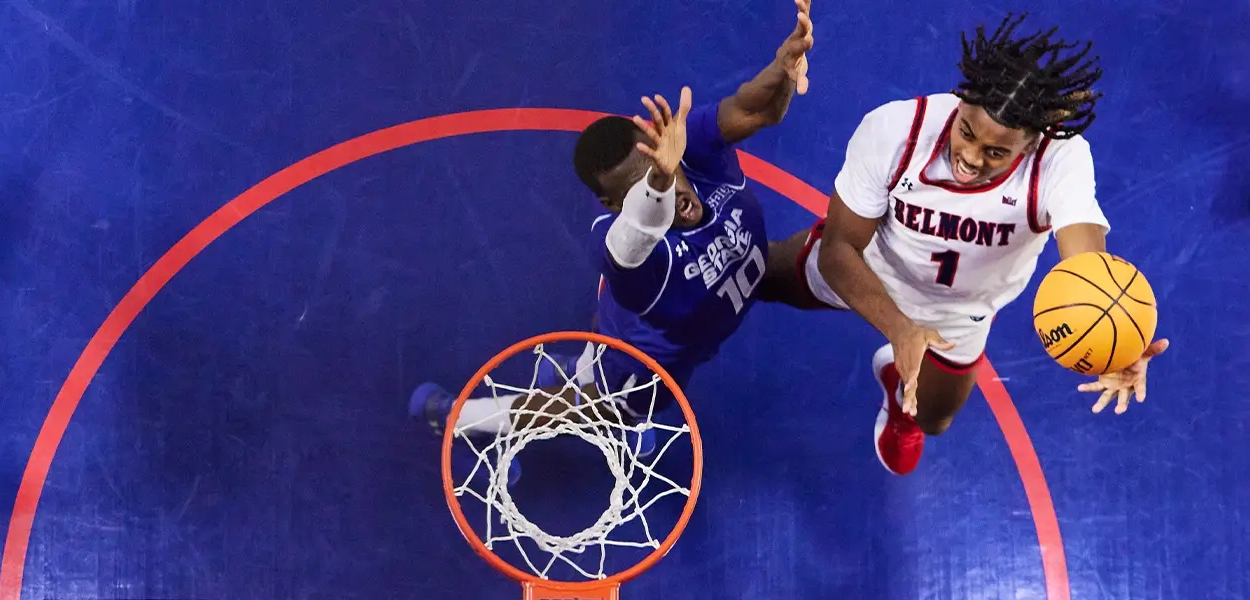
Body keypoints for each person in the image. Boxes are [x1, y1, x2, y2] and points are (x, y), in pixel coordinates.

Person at [409, 0, 818, 474]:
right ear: (613, 205)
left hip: (703, 310)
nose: (668, 183)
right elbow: (633, 241)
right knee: (579, 411)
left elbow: (757, 108)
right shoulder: (626, 249)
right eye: (641, 186)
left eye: (657, 166)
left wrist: (782, 65)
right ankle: (458, 418)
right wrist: (661, 181)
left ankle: (570, 368)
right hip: (638, 370)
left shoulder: (691, 146)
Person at [782, 12, 1170, 475]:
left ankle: (896, 391)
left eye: (996, 152)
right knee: (748, 274)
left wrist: (1116, 338)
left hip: (960, 311)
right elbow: (838, 250)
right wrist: (900, 329)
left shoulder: (1060, 159)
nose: (970, 157)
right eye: (967, 132)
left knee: (934, 419)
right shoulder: (896, 130)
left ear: (1031, 143)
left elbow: (1086, 266)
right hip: (873, 266)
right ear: (962, 101)